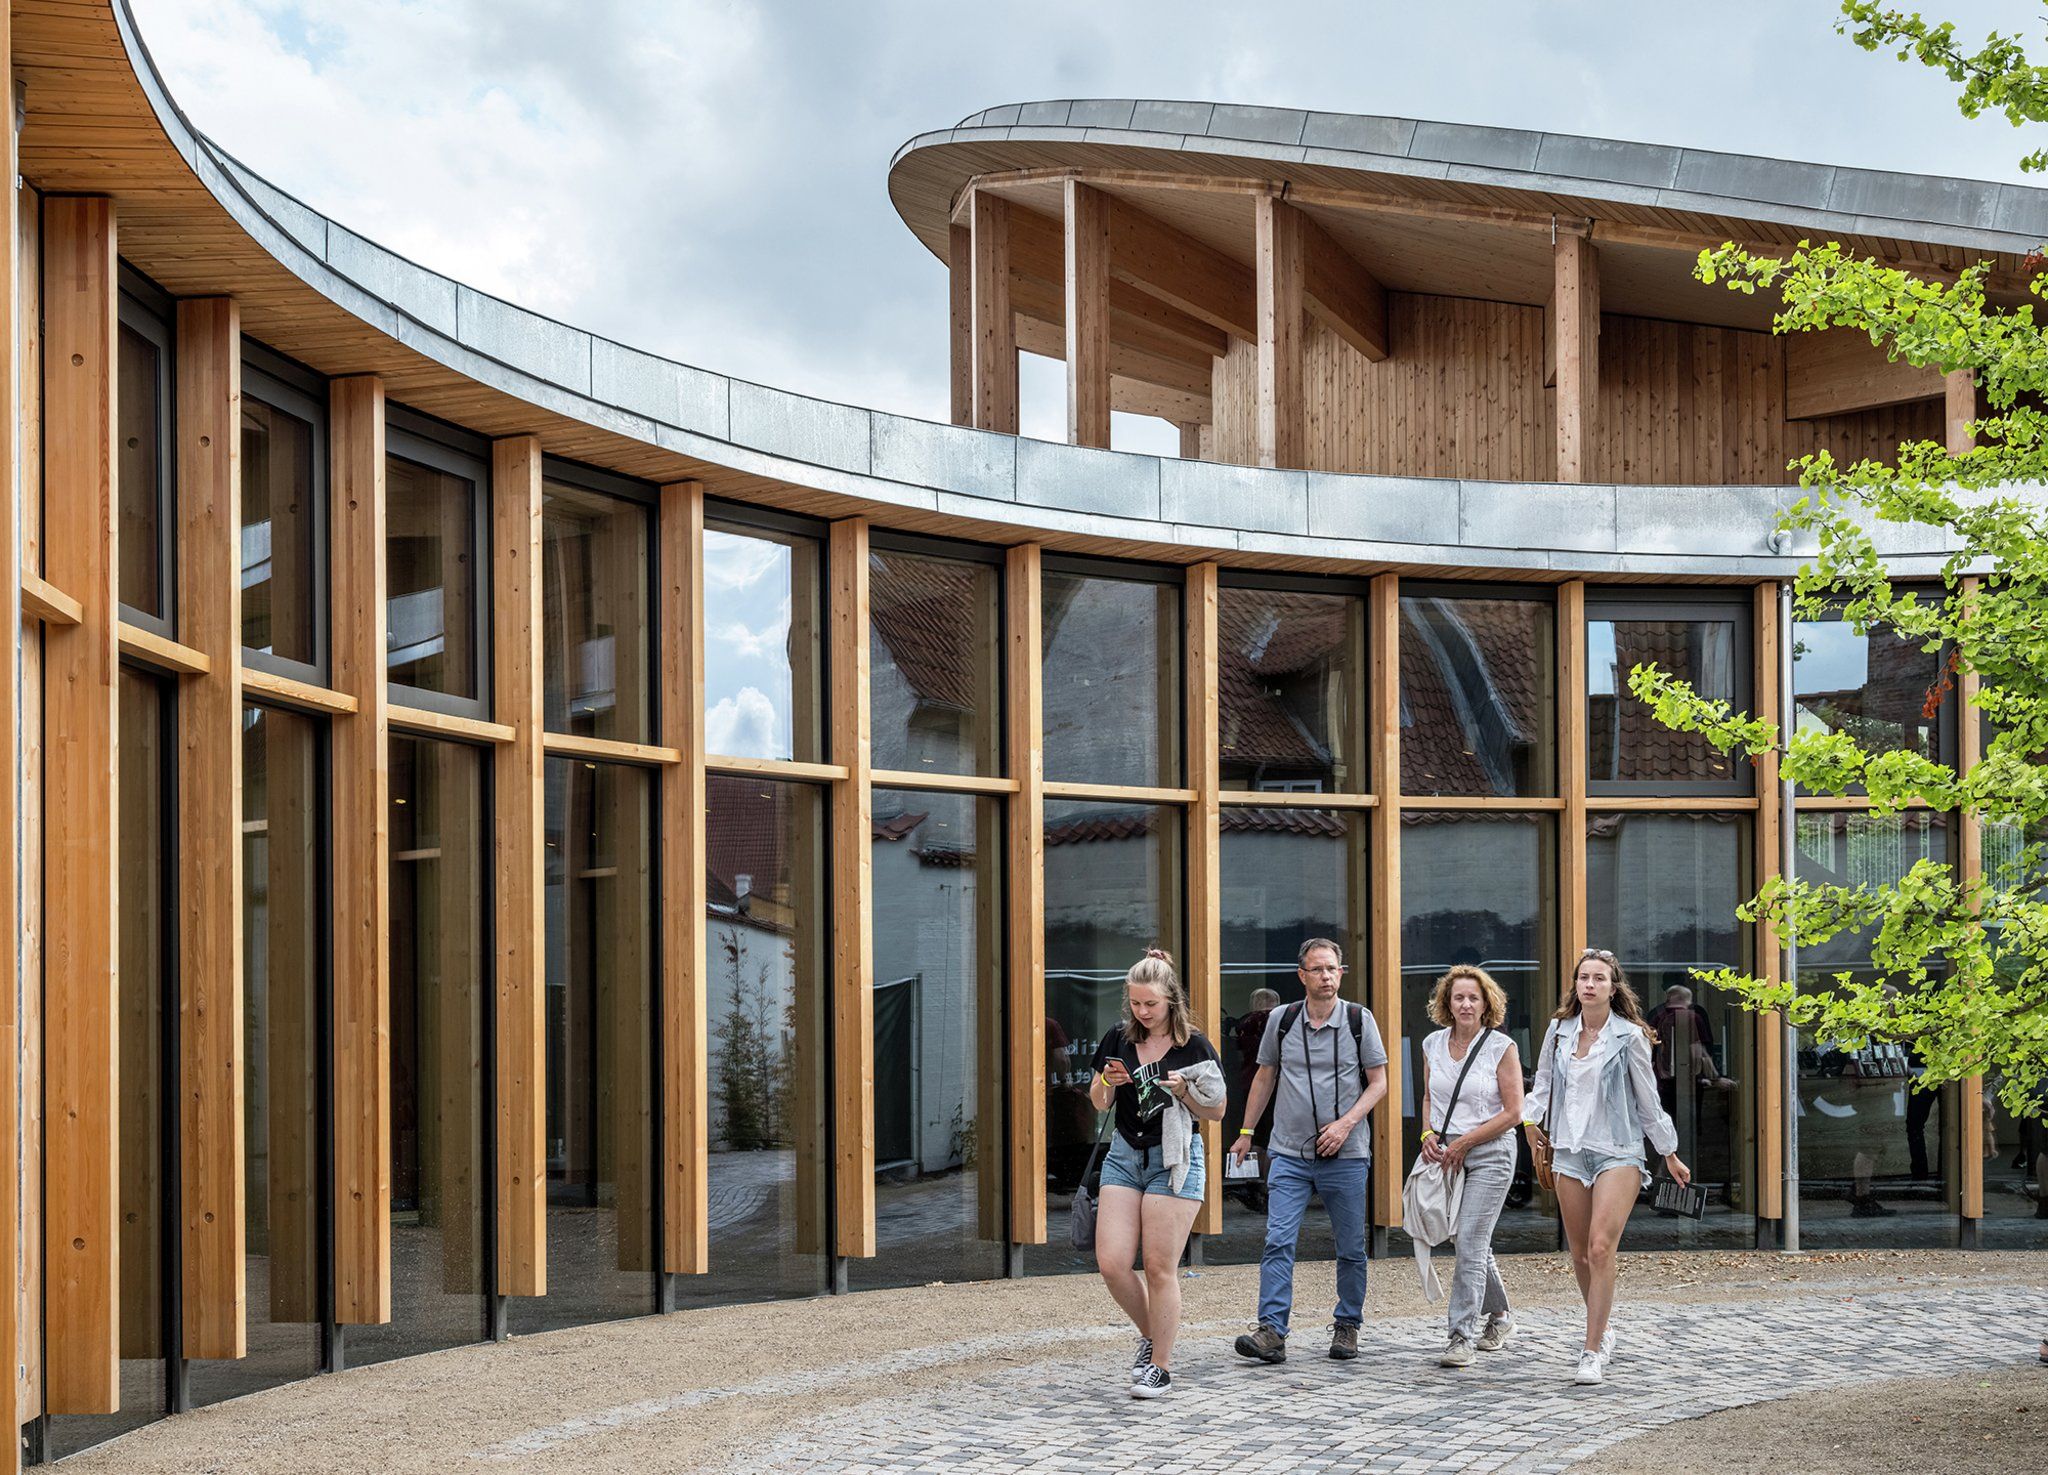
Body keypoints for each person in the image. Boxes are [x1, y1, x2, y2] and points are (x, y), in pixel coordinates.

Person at [1523, 947, 1690, 1387]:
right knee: (1579, 1253)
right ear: (1575, 986)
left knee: (1600, 1248)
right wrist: (1528, 1122)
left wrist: (1668, 1151)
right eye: (1583, 978)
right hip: (1569, 1151)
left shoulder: (1630, 1036)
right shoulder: (1558, 1032)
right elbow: (1542, 1084)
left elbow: (1647, 1099)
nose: (1590, 985)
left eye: (1599, 978)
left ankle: (1591, 1350)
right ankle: (1605, 1328)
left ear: (1613, 987)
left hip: (1619, 1149)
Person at [1228, 937, 1388, 1365]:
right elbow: (1264, 1078)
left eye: (1332, 969)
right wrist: (1246, 1131)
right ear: (1302, 976)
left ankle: (1348, 1325)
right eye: (1316, 969)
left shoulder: (1359, 1019)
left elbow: (1379, 1083)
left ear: (1341, 973)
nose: (1325, 976)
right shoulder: (1281, 1020)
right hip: (1289, 1153)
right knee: (1278, 1240)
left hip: (1347, 1153)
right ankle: (1271, 1331)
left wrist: (1345, 1124)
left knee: (1351, 1246)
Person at [1089, 948, 1225, 1399]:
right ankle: (1153, 1335)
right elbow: (1097, 1100)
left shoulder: (1195, 1046)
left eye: (1150, 1004)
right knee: (1111, 1262)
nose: (1142, 1012)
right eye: (1135, 1003)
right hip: (1125, 1155)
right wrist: (1108, 1081)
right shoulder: (1118, 1037)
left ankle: (1160, 1367)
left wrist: (1185, 1091)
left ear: (1171, 1000)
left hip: (1175, 1158)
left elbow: (1219, 1109)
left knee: (1158, 1266)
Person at [1418, 965, 1525, 1368]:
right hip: (1446, 1153)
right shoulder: (1432, 1043)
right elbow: (1429, 1098)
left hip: (1491, 1152)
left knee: (1469, 1242)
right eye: (1458, 997)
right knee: (1466, 1238)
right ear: (1447, 1002)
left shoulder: (1501, 1047)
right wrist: (1427, 1135)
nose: (1465, 1004)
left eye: (1473, 998)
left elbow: (1515, 1111)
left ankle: (1459, 1336)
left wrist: (1464, 1141)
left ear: (1486, 1005)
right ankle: (1500, 1316)